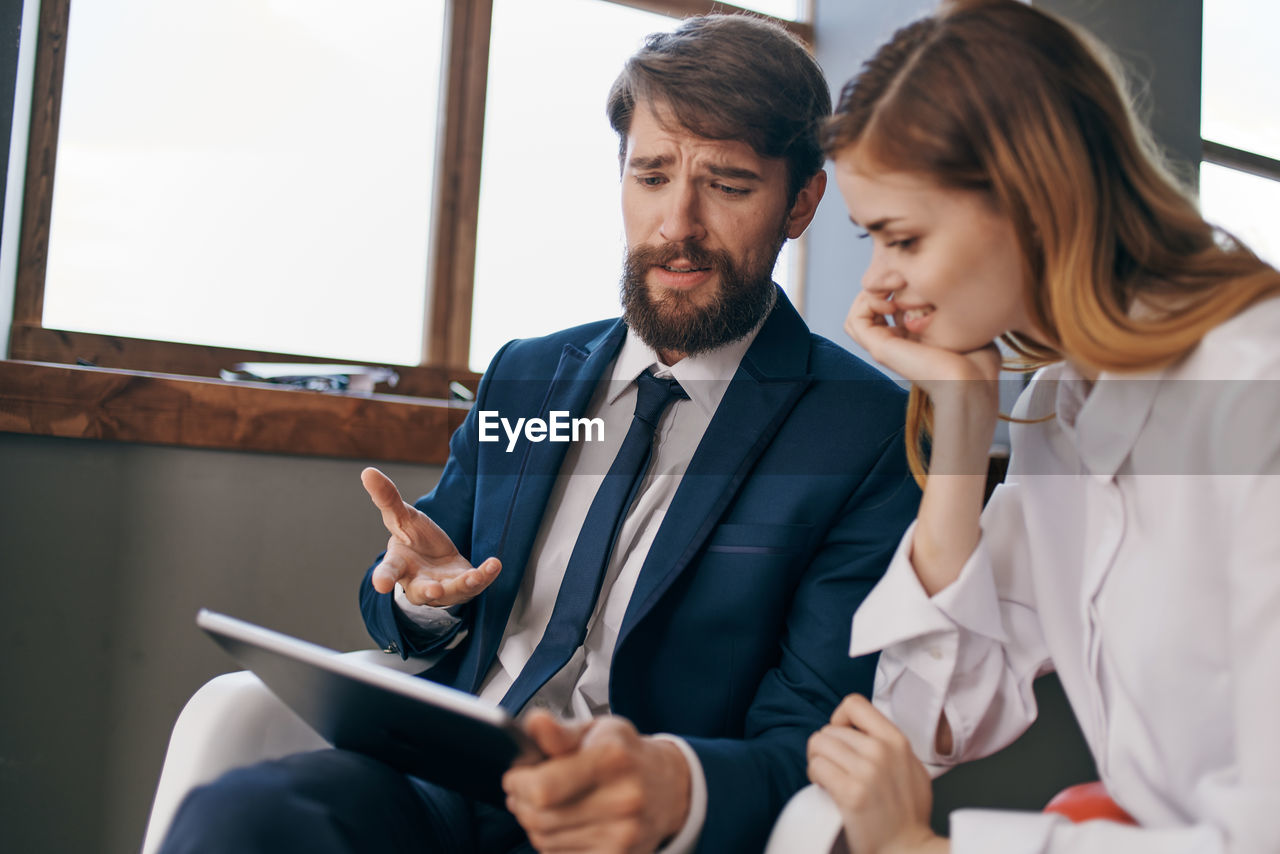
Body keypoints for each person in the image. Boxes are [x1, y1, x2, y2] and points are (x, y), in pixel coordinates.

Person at [160, 14, 920, 854]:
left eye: (729, 185)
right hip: (437, 784)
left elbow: (813, 736)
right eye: (652, 175)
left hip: (625, 822)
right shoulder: (527, 374)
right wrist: (420, 597)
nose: (678, 224)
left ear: (800, 202)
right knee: (238, 817)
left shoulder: (864, 432)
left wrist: (664, 789)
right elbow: (423, 589)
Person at [803, 1, 1280, 852]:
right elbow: (928, 719)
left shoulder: (1254, 393)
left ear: (1030, 202)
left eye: (902, 239)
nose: (877, 284)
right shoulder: (1063, 411)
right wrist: (960, 427)